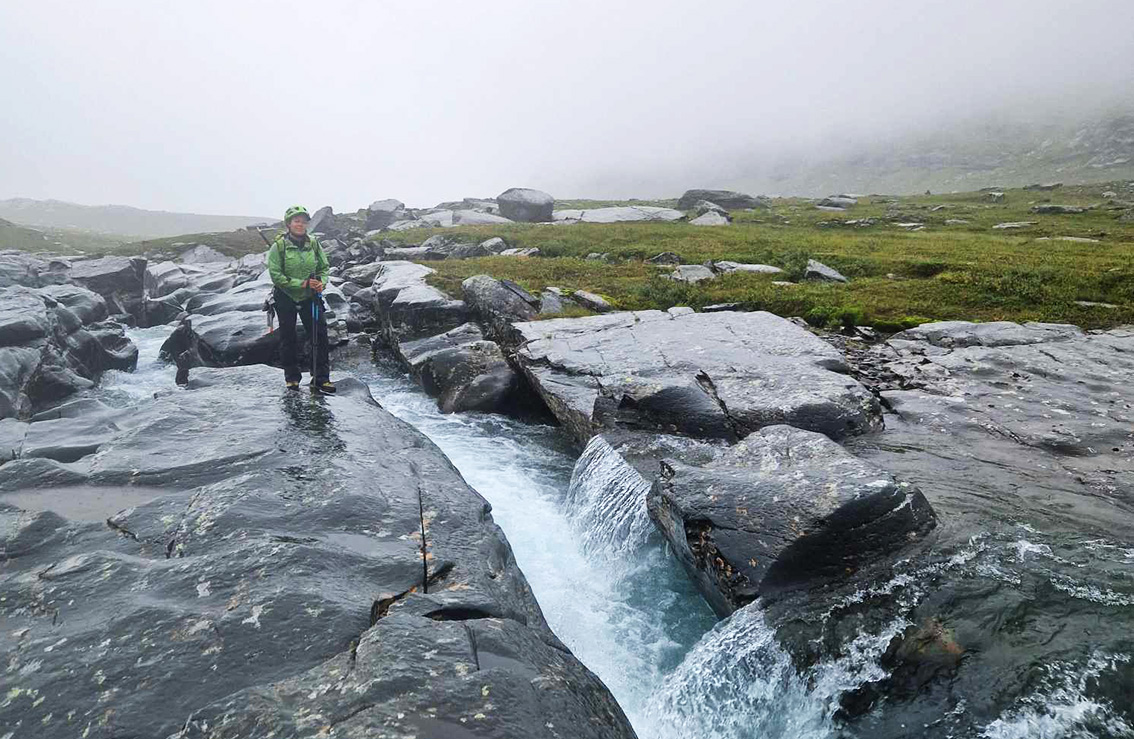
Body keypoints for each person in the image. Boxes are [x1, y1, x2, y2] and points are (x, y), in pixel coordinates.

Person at [267, 205, 335, 393]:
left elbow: (323, 267)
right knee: (288, 337)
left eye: (304, 221)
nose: (300, 224)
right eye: (296, 221)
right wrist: (302, 283)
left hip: (310, 297)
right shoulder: (278, 247)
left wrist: (321, 282)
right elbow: (276, 275)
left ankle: (321, 378)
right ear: (289, 223)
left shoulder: (313, 243)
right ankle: (292, 378)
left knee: (319, 335)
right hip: (285, 296)